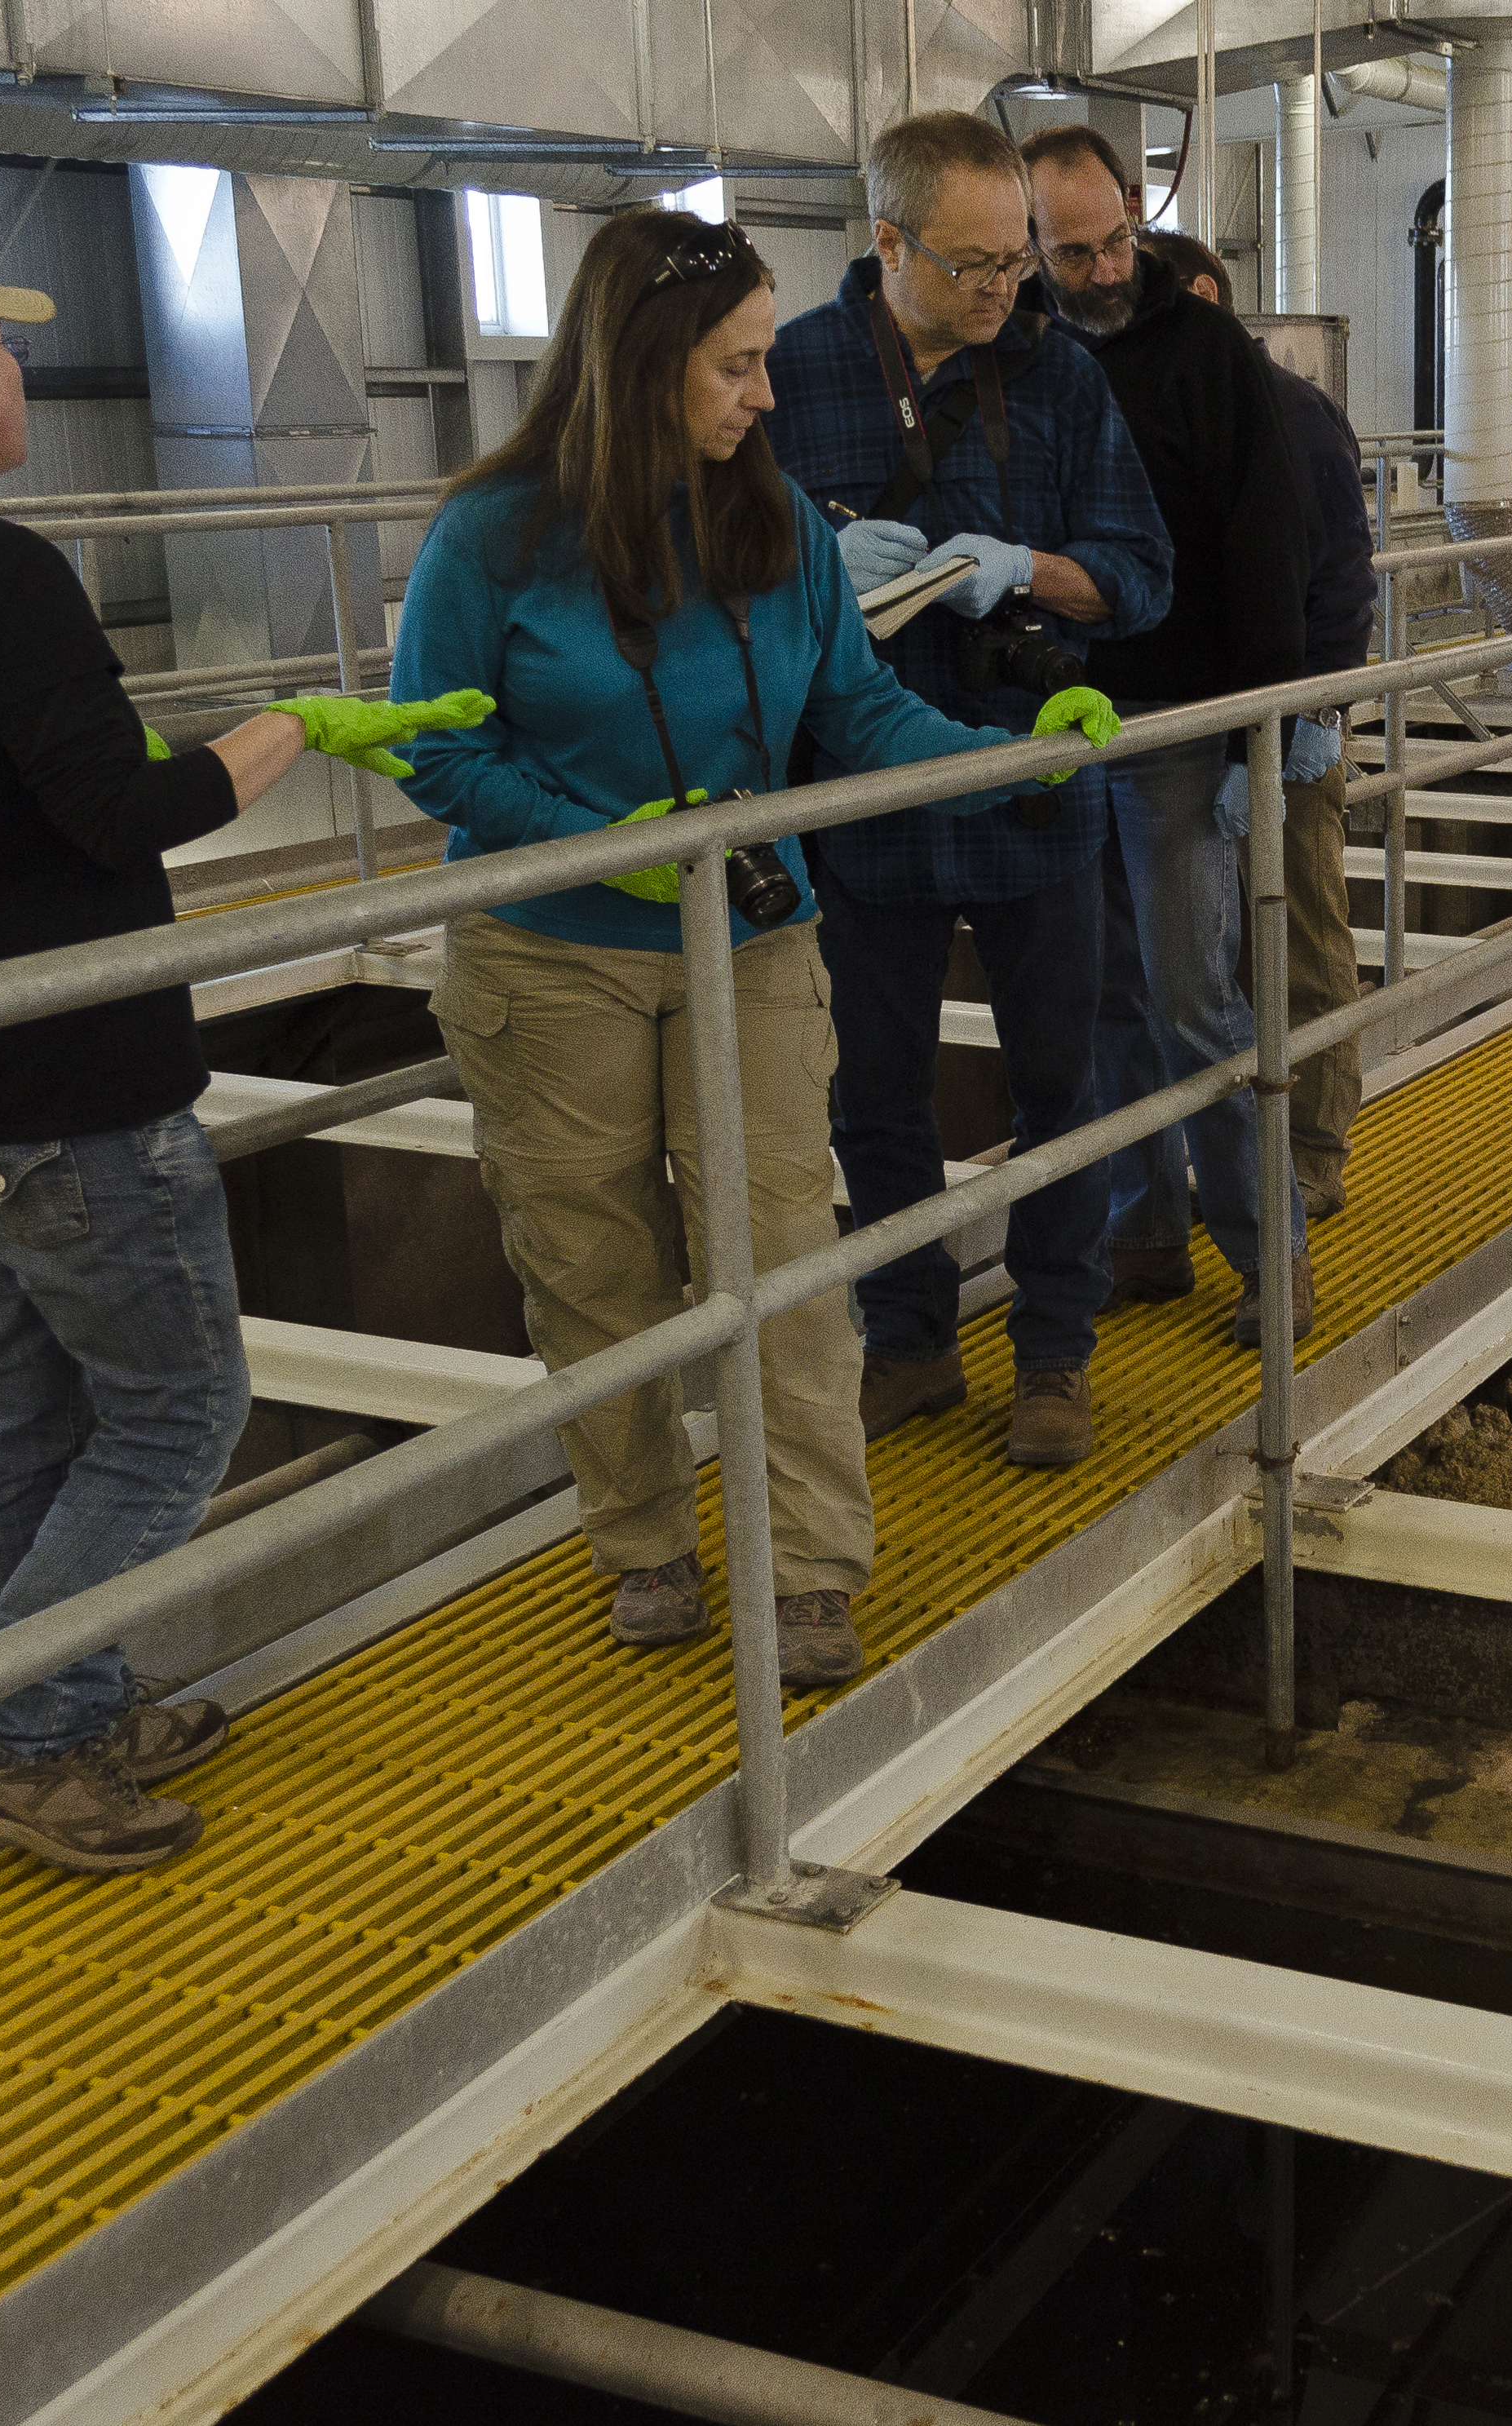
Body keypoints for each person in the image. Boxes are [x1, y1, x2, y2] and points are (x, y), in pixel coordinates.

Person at [0, 240, 484, 1873]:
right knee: (181, 1404)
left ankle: (57, 1698)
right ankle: (17, 1735)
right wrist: (291, 725)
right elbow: (126, 811)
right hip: (67, 1084)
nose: (16, 368)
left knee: (27, 1403)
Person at [391, 210, 1115, 1689]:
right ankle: (643, 1537)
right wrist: (602, 841)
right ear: (641, 365)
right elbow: (437, 752)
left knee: (780, 1255)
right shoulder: (492, 534)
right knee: (592, 1261)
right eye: (733, 366)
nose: (764, 393)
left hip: (753, 939)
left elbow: (853, 716)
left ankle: (808, 1571)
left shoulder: (775, 523)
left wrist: (1005, 752)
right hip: (554, 954)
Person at [763, 110, 1174, 1469]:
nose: (1010, 293)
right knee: (870, 1095)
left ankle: (1054, 1348)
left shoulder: (1057, 379)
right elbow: (716, 583)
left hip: (1027, 795)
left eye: (1019, 266)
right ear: (886, 242)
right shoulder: (790, 372)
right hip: (859, 806)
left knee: (1062, 1082)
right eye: (978, 267)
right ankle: (912, 1341)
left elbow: (1140, 571)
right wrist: (813, 573)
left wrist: (1024, 568)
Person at [1018, 125, 1319, 1348]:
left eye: (1117, 241)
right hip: (1054, 719)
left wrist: (1270, 721)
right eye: (1073, 251)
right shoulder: (1022, 353)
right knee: (1102, 1000)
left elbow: (1270, 536)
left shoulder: (1202, 351)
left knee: (1199, 998)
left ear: (1138, 211)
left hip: (1184, 719)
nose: (1103, 270)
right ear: (1027, 243)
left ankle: (1270, 1251)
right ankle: (1145, 1232)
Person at [1139, 231, 1374, 1221]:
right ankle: (1198, 1169)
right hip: (1182, 731)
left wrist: (1313, 710)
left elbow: (1340, 578)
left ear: (1203, 297)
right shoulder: (1154, 407)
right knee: (1192, 962)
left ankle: (1314, 1149)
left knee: (1299, 930)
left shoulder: (1294, 415)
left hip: (1283, 727)